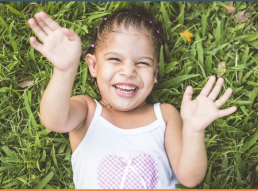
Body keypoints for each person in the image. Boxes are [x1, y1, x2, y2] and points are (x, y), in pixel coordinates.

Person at [27, 6, 237, 189]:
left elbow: (190, 179)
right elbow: (53, 120)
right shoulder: (87, 111)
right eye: (115, 59)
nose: (128, 71)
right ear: (93, 66)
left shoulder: (164, 115)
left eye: (143, 63)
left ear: (154, 74)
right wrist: (64, 71)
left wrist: (193, 131)